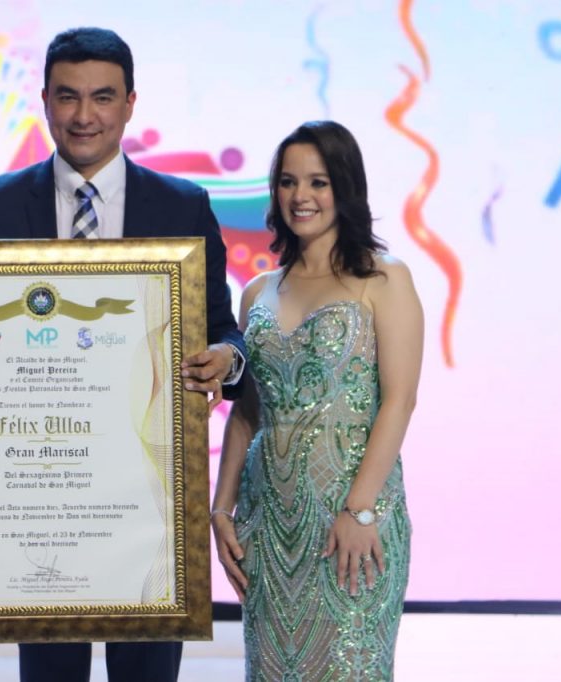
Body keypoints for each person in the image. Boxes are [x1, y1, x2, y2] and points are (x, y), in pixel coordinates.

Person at [0, 26, 246, 682]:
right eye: (67, 96)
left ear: (130, 103)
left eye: (103, 97)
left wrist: (224, 360)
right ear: (44, 101)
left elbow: (223, 329)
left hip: (144, 494)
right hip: (29, 492)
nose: (83, 115)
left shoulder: (182, 205)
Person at [210, 120, 422, 680]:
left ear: (344, 188)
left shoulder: (384, 279)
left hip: (352, 522)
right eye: (287, 181)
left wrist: (359, 510)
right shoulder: (258, 291)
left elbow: (400, 401)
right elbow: (246, 412)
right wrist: (221, 509)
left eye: (318, 182)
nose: (300, 196)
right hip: (267, 522)